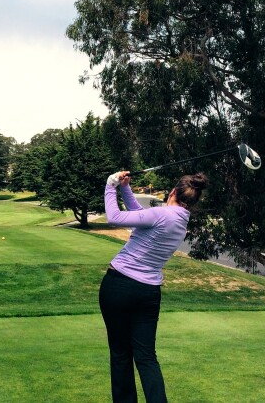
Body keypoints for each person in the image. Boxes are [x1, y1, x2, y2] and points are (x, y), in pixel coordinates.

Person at [99, 170, 209, 403]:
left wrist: (111, 186)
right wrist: (126, 188)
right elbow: (140, 215)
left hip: (119, 285)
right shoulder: (179, 220)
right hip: (148, 293)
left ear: (172, 192)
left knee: (120, 354)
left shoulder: (162, 215)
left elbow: (114, 218)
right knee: (147, 357)